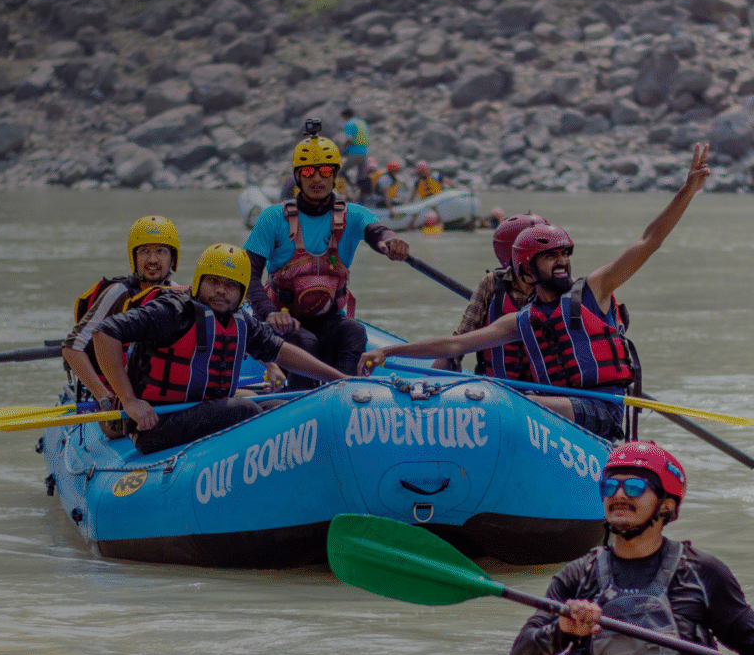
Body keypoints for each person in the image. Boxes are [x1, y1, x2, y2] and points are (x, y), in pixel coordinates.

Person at [361, 145, 710, 441]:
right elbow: (456, 346)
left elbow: (649, 241)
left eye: (564, 255)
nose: (561, 263)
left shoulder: (595, 290)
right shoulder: (521, 320)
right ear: (527, 269)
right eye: (550, 257)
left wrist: (687, 191)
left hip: (602, 411)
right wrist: (390, 352)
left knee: (509, 402)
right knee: (497, 395)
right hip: (557, 406)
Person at [510, 442, 754, 655]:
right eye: (610, 487)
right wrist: (563, 629)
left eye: (634, 487)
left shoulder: (703, 572)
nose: (619, 495)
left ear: (666, 505)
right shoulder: (578, 575)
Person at [92, 244, 350, 455]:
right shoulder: (171, 311)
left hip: (203, 412)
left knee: (281, 408)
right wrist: (129, 400)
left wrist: (340, 379)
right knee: (245, 409)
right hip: (154, 424)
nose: (220, 291)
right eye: (213, 282)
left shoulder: (241, 321)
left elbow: (281, 351)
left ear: (241, 293)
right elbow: (103, 333)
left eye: (230, 286)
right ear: (198, 282)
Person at [243, 123, 409, 391]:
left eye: (325, 171)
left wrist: (390, 242)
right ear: (298, 176)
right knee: (304, 341)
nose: (317, 179)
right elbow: (247, 276)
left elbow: (377, 231)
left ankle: (344, 396)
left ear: (335, 176)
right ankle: (300, 400)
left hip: (329, 318)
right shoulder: (272, 218)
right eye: (308, 171)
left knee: (353, 331)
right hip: (283, 320)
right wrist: (270, 314)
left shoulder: (353, 214)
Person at [62, 215, 182, 407]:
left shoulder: (179, 295)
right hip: (116, 400)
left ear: (173, 258)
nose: (152, 259)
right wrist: (103, 397)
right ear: (134, 257)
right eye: (144, 251)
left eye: (161, 251)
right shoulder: (118, 294)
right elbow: (72, 348)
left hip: (157, 398)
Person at [432, 213, 550, 377]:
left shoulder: (560, 285)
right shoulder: (491, 283)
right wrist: (428, 381)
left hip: (546, 391)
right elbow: (461, 339)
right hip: (496, 386)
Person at [340, 107, 370, 191]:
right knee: (361, 177)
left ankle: (352, 187)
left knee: (341, 172)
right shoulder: (361, 123)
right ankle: (362, 195)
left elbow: (349, 139)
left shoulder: (349, 123)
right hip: (364, 152)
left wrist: (342, 148)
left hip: (354, 152)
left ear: (345, 116)